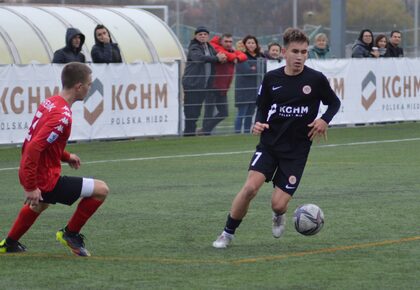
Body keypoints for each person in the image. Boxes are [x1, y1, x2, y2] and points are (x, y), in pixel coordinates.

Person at [212, 28, 341, 249]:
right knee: (250, 188)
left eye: (303, 52)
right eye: (295, 51)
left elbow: (334, 103)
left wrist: (324, 120)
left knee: (279, 204)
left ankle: (278, 215)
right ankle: (227, 233)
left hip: (297, 151)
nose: (299, 56)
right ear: (284, 52)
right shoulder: (272, 78)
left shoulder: (316, 79)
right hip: (270, 144)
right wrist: (259, 122)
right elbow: (262, 106)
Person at [0, 63, 109, 257]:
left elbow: (43, 143)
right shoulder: (62, 116)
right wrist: (31, 186)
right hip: (44, 179)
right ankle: (70, 234)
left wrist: (67, 156)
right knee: (101, 190)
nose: (90, 88)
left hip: (38, 173)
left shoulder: (51, 102)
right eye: (89, 84)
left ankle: (9, 243)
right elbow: (34, 147)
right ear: (78, 86)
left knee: (40, 204)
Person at [182, 26, 227, 136]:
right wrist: (217, 59)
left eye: (205, 34)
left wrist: (222, 57)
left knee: (196, 112)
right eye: (200, 34)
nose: (202, 36)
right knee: (191, 112)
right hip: (193, 84)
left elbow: (217, 55)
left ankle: (190, 134)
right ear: (195, 36)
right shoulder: (194, 47)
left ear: (208, 36)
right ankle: (188, 134)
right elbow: (199, 58)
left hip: (203, 86)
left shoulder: (209, 46)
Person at [199, 34, 247, 135]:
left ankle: (204, 130)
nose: (229, 44)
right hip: (213, 85)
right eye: (226, 41)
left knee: (224, 113)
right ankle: (205, 132)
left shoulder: (232, 51)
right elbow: (226, 54)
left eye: (230, 41)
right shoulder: (216, 49)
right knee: (209, 111)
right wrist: (234, 57)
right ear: (221, 42)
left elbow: (243, 55)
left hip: (223, 88)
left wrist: (237, 58)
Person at [234, 35, 265, 134]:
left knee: (250, 114)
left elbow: (264, 68)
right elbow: (247, 71)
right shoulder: (241, 55)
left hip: (255, 89)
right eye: (249, 43)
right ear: (244, 44)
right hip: (243, 89)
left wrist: (255, 67)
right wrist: (256, 68)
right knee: (241, 113)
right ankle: (237, 133)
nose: (251, 45)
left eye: (253, 43)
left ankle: (247, 132)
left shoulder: (260, 56)